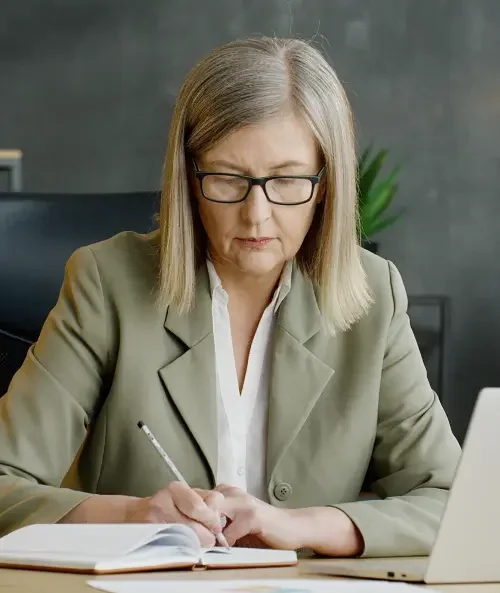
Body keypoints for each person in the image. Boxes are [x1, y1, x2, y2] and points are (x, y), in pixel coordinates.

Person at [0, 36, 460, 558]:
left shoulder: (375, 294)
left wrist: (303, 525)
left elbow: (451, 501)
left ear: (327, 183)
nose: (256, 215)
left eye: (287, 181)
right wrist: (131, 516)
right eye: (227, 178)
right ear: (189, 177)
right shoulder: (107, 282)